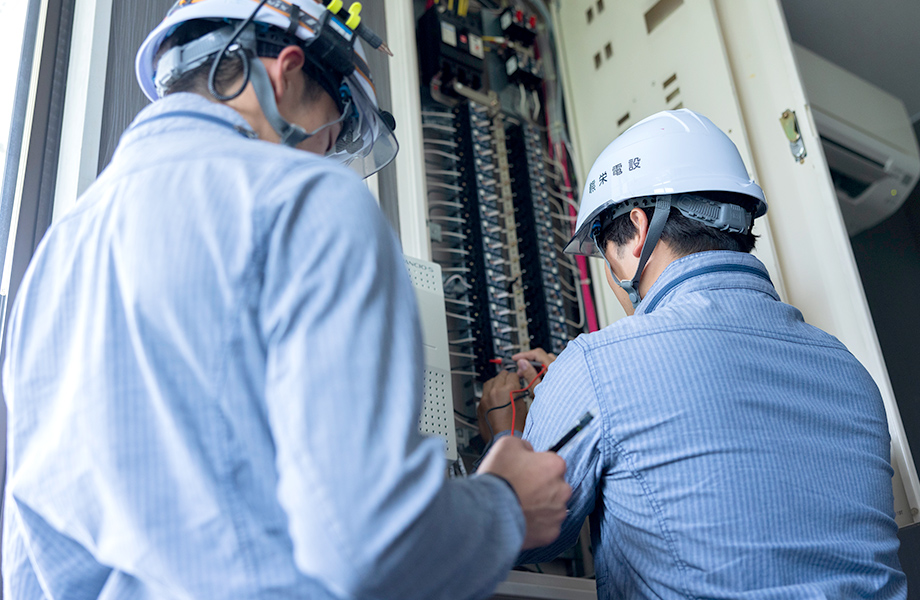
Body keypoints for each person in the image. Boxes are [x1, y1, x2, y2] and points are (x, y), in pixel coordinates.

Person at [1, 1, 571, 598]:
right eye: (334, 130)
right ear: (286, 70)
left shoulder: (57, 253)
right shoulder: (307, 199)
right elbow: (370, 543)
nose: (328, 158)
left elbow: (29, 556)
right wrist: (505, 502)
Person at [479, 109, 907, 598]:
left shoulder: (597, 366)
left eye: (601, 247)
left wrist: (505, 435)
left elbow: (525, 539)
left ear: (637, 230)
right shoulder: (850, 373)